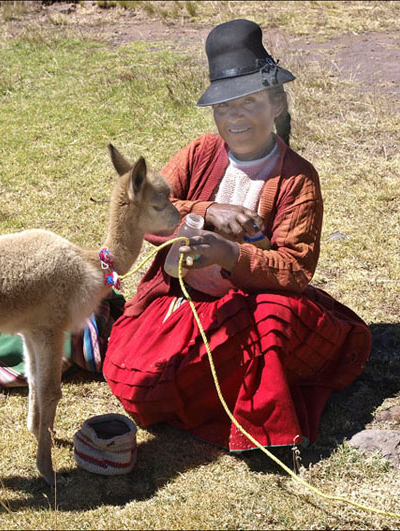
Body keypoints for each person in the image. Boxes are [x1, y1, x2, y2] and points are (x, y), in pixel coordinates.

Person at [102, 19, 372, 451]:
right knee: (133, 377)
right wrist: (210, 211)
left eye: (248, 101)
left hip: (254, 304)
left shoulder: (298, 179)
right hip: (184, 297)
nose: (235, 117)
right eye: (225, 106)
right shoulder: (200, 153)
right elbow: (145, 213)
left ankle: (261, 416)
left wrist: (230, 254)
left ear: (277, 103)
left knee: (268, 329)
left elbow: (295, 271)